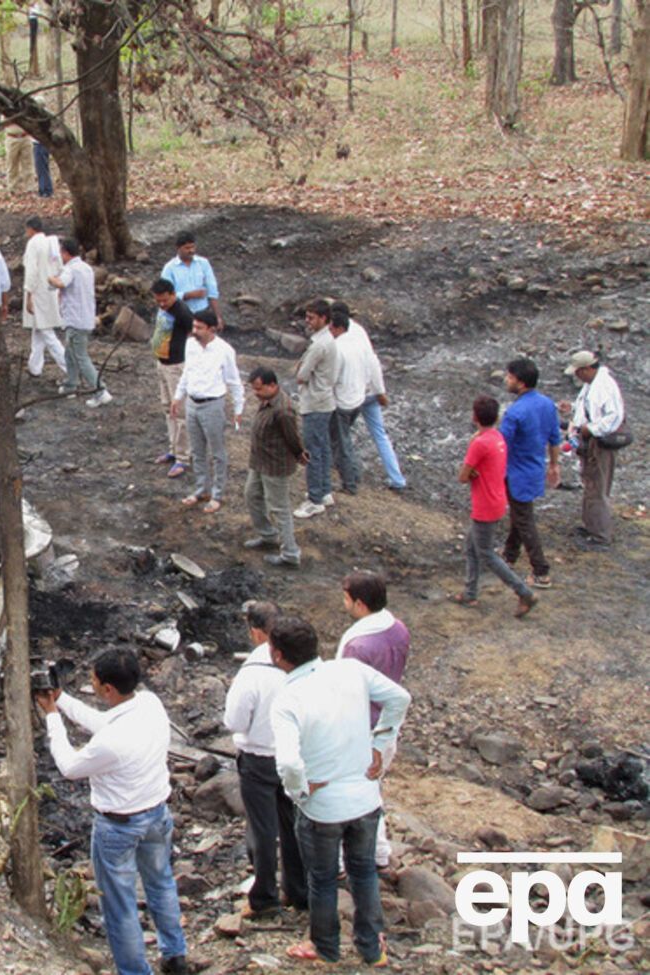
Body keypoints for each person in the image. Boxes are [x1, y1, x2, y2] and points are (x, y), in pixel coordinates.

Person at [35, 649, 198, 975]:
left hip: (119, 827)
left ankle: (135, 971)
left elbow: (69, 766)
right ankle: (175, 954)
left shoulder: (110, 743)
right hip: (156, 816)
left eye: (94, 680)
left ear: (107, 688)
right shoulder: (150, 704)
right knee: (162, 883)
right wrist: (63, 700)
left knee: (120, 905)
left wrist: (52, 717)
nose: (92, 684)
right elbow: (104, 720)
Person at [268, 615, 410, 967]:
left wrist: (299, 792)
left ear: (277, 655)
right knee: (363, 872)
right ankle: (371, 947)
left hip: (323, 807)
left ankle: (326, 947)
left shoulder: (287, 699)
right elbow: (400, 698)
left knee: (322, 878)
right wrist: (382, 739)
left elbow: (287, 763)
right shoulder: (351, 670)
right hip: (364, 797)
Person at [223, 601, 307, 920]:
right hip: (295, 756)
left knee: (262, 829)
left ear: (257, 633)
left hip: (258, 759)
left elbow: (234, 721)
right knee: (293, 825)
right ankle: (299, 891)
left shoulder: (253, 673)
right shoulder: (304, 663)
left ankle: (265, 896)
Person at [337, 571, 411, 873]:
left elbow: (344, 690)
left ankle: (343, 859)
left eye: (346, 598)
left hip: (362, 726)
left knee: (346, 793)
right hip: (386, 723)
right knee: (372, 790)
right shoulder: (399, 630)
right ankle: (379, 850)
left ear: (360, 604)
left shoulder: (358, 647)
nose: (343, 603)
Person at [450, 395, 537, 617]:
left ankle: (523, 592)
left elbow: (462, 476)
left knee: (486, 553)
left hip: (484, 506)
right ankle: (470, 592)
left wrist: (471, 472)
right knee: (472, 547)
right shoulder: (498, 438)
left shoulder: (479, 443)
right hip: (497, 500)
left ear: (474, 417)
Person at [170, 314, 242, 513]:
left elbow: (234, 381)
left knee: (217, 452)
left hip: (212, 404)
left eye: (200, 327)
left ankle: (217, 494)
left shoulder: (225, 351)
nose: (195, 331)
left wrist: (238, 408)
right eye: (194, 326)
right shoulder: (190, 345)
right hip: (192, 402)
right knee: (197, 450)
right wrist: (178, 396)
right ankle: (202, 489)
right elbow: (187, 372)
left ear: (212, 329)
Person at [499, 358, 562, 587]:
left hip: (516, 473)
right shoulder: (547, 404)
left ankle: (541, 570)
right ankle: (509, 555)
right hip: (534, 470)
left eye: (510, 377)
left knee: (524, 520)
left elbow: (501, 443)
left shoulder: (515, 412)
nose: (506, 380)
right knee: (520, 514)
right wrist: (554, 465)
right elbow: (555, 438)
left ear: (521, 382)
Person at [244, 366, 306, 568]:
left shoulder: (283, 410)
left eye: (259, 389)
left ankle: (290, 553)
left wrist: (299, 454)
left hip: (275, 465)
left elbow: (292, 437)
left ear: (273, 385)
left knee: (279, 508)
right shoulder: (267, 401)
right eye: (254, 389)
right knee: (251, 495)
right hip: (259, 462)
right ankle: (268, 536)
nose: (256, 393)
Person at [563, 350, 626, 547]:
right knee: (590, 484)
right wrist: (572, 410)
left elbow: (613, 417)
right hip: (590, 441)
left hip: (599, 443)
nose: (576, 375)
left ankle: (600, 535)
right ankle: (592, 526)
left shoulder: (604, 386)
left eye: (578, 371)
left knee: (597, 487)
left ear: (588, 368)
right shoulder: (592, 385)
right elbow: (590, 408)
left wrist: (590, 429)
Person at [48, 237, 109, 405]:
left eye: (61, 252)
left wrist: (49, 277)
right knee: (70, 353)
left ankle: (100, 391)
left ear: (66, 253)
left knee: (80, 356)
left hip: (76, 321)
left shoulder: (71, 269)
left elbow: (60, 283)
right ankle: (70, 385)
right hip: (85, 317)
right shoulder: (86, 268)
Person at [351, 311, 407, 491]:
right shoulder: (359, 331)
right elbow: (373, 362)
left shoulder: (338, 337)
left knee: (341, 432)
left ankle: (347, 471)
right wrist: (380, 391)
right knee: (380, 435)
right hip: (371, 390)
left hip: (354, 393)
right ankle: (397, 479)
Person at [149, 279, 200, 479]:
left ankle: (183, 457)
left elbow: (196, 333)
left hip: (176, 366)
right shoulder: (164, 309)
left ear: (172, 294)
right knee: (166, 407)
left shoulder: (182, 312)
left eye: (164, 300)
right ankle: (173, 448)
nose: (161, 304)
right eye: (158, 301)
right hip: (162, 363)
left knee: (179, 412)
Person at [293, 300, 338, 519]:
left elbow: (301, 375)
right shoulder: (326, 341)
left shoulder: (320, 345)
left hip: (314, 402)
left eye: (311, 318)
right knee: (323, 447)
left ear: (323, 318)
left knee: (312, 451)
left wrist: (300, 370)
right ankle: (325, 490)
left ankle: (314, 499)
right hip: (324, 401)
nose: (307, 322)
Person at [21, 217, 68, 381]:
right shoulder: (52, 243)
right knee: (39, 329)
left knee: (47, 332)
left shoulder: (34, 244)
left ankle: (68, 367)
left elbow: (31, 271)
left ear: (31, 229)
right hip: (51, 290)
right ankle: (35, 366)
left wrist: (29, 294)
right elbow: (60, 267)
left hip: (39, 292)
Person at [328, 304, 367, 495]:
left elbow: (332, 378)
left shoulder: (337, 348)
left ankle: (349, 483)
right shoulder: (357, 344)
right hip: (357, 399)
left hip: (341, 402)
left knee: (340, 443)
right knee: (345, 440)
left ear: (337, 328)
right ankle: (354, 474)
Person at [160, 233, 221, 323]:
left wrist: (217, 317)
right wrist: (188, 295)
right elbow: (165, 297)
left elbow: (212, 291)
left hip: (203, 313)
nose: (191, 250)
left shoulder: (203, 263)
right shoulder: (169, 269)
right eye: (187, 248)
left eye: (193, 247)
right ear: (178, 248)